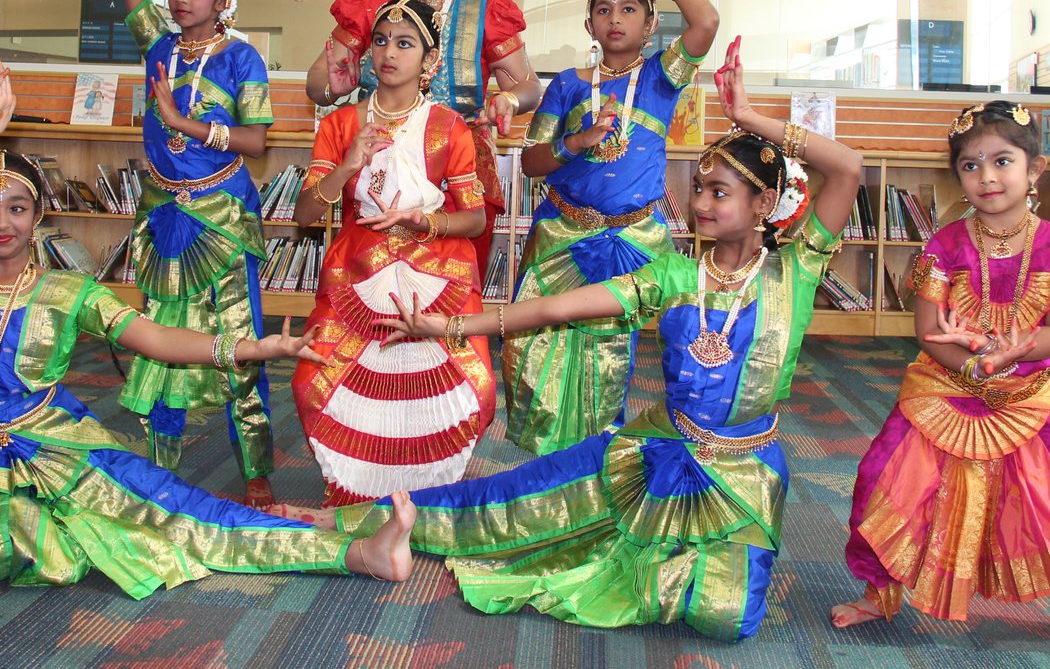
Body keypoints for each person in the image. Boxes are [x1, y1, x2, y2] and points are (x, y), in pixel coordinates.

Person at [303, 39, 864, 640]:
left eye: (719, 192)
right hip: (658, 453)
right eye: (697, 186)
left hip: (745, 471)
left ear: (765, 204)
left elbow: (849, 169)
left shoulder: (796, 271)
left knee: (725, 618)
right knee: (516, 505)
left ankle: (661, 556)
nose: (699, 202)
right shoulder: (675, 274)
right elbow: (554, 307)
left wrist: (748, 117)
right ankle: (369, 519)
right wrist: (450, 327)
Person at [0, 62, 416, 594]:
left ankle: (357, 553)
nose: (1, 222)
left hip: (54, 449)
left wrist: (251, 346)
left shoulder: (66, 291)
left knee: (177, 517)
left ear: (38, 219)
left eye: (17, 208)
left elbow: (154, 339)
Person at [832, 100, 1050, 659]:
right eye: (970, 166)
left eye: (1002, 161)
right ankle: (880, 594)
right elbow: (930, 331)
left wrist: (1009, 356)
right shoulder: (944, 244)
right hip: (946, 386)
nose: (987, 177)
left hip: (1028, 393)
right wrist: (975, 363)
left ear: (1034, 169)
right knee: (884, 478)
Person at [503, 0, 718, 454]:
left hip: (632, 238)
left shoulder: (665, 77)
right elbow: (533, 162)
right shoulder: (568, 84)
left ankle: (600, 457)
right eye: (604, 9)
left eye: (628, 9)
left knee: (609, 355)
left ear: (650, 24)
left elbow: (706, 20)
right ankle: (545, 461)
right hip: (564, 234)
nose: (615, 18)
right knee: (538, 347)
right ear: (589, 23)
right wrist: (575, 143)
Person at [115, 0, 279, 506]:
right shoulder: (156, 41)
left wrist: (185, 122)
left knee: (238, 340)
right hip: (162, 213)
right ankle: (160, 456)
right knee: (158, 338)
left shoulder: (243, 59)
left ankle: (256, 464)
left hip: (220, 215)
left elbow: (258, 141)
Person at [292, 0, 491, 506]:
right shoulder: (339, 125)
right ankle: (360, 495)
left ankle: (425, 498)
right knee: (313, 379)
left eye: (405, 43)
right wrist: (347, 163)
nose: (388, 52)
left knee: (475, 388)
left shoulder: (449, 127)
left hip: (436, 267)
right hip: (357, 266)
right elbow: (304, 216)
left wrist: (425, 220)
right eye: (381, 40)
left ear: (429, 61)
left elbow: (475, 218)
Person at [305, 0, 541, 271]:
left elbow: (529, 85)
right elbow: (318, 85)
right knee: (371, 281)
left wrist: (509, 99)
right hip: (380, 170)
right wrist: (338, 86)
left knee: (450, 293)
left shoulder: (485, 10)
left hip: (459, 175)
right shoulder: (371, 11)